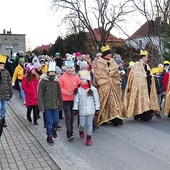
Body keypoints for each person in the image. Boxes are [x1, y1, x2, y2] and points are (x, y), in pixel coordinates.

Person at [123, 50, 160, 121]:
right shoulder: (136, 65)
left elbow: (150, 74)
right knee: (139, 100)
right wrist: (145, 76)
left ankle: (146, 115)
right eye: (146, 57)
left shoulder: (147, 66)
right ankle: (138, 114)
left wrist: (149, 76)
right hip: (139, 88)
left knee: (147, 100)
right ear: (143, 57)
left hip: (147, 87)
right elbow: (135, 76)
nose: (147, 59)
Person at [93, 45, 123, 127]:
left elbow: (116, 71)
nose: (109, 55)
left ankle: (116, 118)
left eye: (110, 54)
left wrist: (113, 76)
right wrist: (107, 74)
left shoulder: (113, 61)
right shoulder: (99, 62)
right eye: (107, 54)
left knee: (113, 101)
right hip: (104, 84)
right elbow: (98, 73)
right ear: (104, 54)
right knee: (104, 102)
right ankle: (103, 117)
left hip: (113, 84)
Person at [38, 61, 63, 144]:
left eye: (53, 72)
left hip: (55, 104)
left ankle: (53, 129)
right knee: (49, 121)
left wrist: (60, 104)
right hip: (47, 105)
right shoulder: (43, 82)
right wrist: (41, 106)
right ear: (48, 72)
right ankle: (49, 136)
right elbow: (40, 95)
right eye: (51, 72)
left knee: (56, 121)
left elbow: (59, 94)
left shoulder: (56, 81)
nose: (52, 73)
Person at [73, 70, 100, 146]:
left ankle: (88, 138)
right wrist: (75, 109)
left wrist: (97, 108)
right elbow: (76, 100)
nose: (82, 80)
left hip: (91, 110)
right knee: (82, 124)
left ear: (88, 80)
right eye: (81, 79)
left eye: (83, 79)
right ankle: (81, 130)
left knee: (89, 124)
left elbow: (96, 99)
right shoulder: (79, 90)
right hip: (82, 110)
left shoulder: (93, 89)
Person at [58, 60, 81, 141]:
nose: (69, 70)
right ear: (65, 69)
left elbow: (79, 86)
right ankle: (69, 132)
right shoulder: (62, 78)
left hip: (74, 100)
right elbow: (59, 88)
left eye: (71, 68)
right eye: (68, 68)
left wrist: (75, 91)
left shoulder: (76, 77)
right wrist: (66, 92)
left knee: (72, 117)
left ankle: (71, 129)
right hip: (65, 100)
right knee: (68, 116)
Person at [0, 54, 13, 127]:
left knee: (4, 108)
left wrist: (10, 92)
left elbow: (9, 83)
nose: (2, 67)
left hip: (5, 94)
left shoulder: (6, 72)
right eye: (1, 65)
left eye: (3, 65)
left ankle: (3, 120)